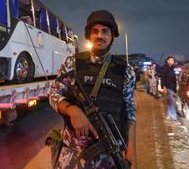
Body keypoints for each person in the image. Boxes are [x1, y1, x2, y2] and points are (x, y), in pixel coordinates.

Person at [49, 10, 137, 168]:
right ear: (89, 35)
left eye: (105, 31)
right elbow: (54, 94)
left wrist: (132, 150)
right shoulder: (72, 63)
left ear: (112, 36)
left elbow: (130, 113)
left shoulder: (126, 70)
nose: (99, 36)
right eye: (94, 31)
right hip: (73, 154)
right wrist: (72, 110)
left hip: (110, 156)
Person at [160, 56, 177, 120]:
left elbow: (174, 79)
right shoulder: (164, 68)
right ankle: (174, 116)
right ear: (167, 61)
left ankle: (169, 115)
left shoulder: (172, 68)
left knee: (170, 102)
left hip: (172, 87)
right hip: (167, 87)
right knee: (172, 102)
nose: (172, 61)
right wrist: (164, 87)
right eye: (171, 60)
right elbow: (162, 78)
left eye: (173, 60)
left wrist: (175, 89)